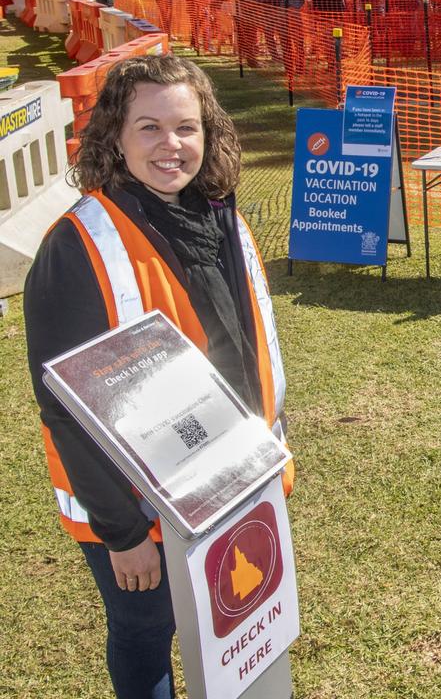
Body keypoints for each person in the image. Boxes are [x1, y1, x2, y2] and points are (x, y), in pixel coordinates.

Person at [23, 54, 295, 699]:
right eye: (148, 128)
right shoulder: (78, 246)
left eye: (187, 127)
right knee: (149, 630)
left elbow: (242, 347)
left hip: (228, 481)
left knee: (231, 626)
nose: (171, 146)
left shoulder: (220, 215)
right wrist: (124, 536)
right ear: (114, 135)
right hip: (137, 505)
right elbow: (65, 409)